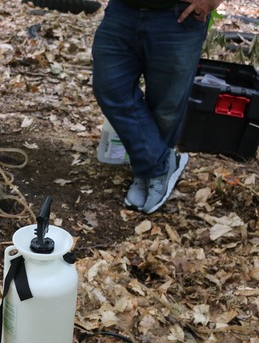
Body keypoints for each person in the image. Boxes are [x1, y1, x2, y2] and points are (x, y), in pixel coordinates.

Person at [92, 0, 223, 214]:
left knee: (166, 105)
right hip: (122, 10)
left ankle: (148, 172)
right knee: (110, 88)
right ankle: (159, 166)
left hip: (178, 15)